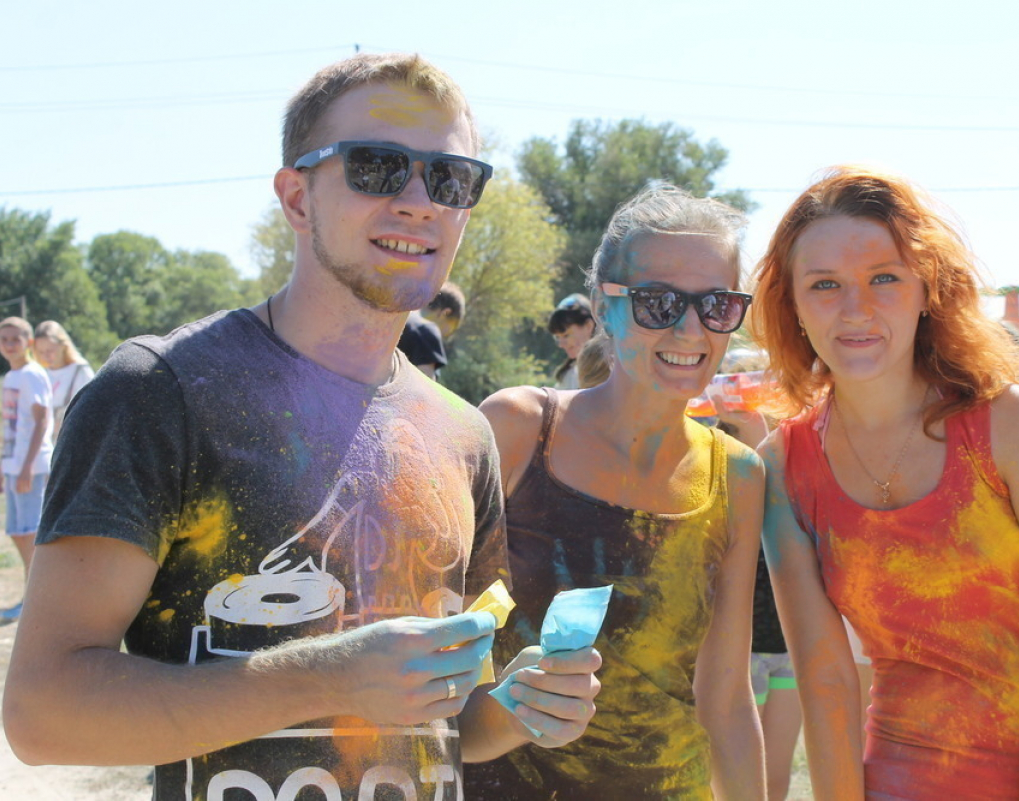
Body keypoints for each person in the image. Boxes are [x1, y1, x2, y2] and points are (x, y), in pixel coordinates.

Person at [3, 53, 602, 799]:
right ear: (296, 197)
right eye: (378, 167)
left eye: (451, 179)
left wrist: (520, 707)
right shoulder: (161, 391)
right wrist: (329, 677)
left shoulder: (462, 435)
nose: (421, 202)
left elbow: (456, 721)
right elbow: (43, 715)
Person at [753, 166, 1019, 799]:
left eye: (885, 277)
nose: (855, 308)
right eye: (825, 284)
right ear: (793, 304)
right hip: (907, 774)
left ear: (928, 288)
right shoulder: (782, 466)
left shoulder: (1013, 425)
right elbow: (825, 680)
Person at [465, 185, 766, 799]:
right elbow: (437, 668)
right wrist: (509, 712)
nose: (691, 329)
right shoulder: (518, 430)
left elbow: (727, 698)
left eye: (717, 304)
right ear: (605, 308)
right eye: (658, 302)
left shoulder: (738, 475)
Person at [0, 317, 53, 622]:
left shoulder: (32, 374)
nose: (9, 345)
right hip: (14, 464)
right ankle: (31, 593)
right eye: (4, 339)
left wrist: (26, 467)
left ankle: (35, 601)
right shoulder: (12, 375)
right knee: (16, 532)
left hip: (30, 467)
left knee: (31, 534)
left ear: (28, 342)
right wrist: (6, 464)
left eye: (15, 339)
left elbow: (41, 420)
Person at [32, 320, 95, 443]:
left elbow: (92, 407)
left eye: (50, 350)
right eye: (41, 352)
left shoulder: (79, 370)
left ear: (62, 345)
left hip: (72, 440)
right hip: (46, 443)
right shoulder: (40, 372)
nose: (46, 356)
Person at [398, 281, 465, 378]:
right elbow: (424, 385)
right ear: (445, 313)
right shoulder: (427, 331)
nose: (443, 338)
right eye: (448, 333)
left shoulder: (395, 313)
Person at [548, 293, 596, 389]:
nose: (561, 344)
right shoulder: (567, 376)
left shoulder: (612, 368)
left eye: (566, 335)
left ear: (588, 326)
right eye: (557, 337)